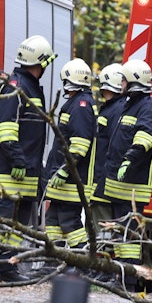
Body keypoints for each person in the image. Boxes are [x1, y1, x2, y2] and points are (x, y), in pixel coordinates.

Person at [0, 35, 56, 281]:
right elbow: (6, 128)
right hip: (13, 168)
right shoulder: (16, 86)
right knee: (2, 216)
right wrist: (18, 160)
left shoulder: (30, 86)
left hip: (28, 168)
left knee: (18, 222)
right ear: (39, 63)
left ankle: (6, 266)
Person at [103, 59, 152, 282]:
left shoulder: (146, 106)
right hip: (120, 184)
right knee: (120, 232)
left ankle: (127, 279)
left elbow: (146, 136)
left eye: (124, 80)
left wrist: (129, 159)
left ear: (134, 82)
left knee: (129, 234)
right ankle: (120, 275)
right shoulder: (129, 104)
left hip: (132, 185)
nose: (122, 84)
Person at [43, 58, 97, 251]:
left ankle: (82, 260)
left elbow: (80, 145)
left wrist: (65, 171)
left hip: (72, 180)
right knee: (53, 220)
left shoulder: (81, 106)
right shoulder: (77, 103)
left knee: (69, 222)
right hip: (64, 179)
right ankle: (53, 261)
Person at [90, 63, 127, 227]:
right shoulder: (117, 108)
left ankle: (100, 253)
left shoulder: (115, 110)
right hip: (103, 180)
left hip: (103, 182)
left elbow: (112, 147)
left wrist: (100, 181)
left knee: (100, 227)